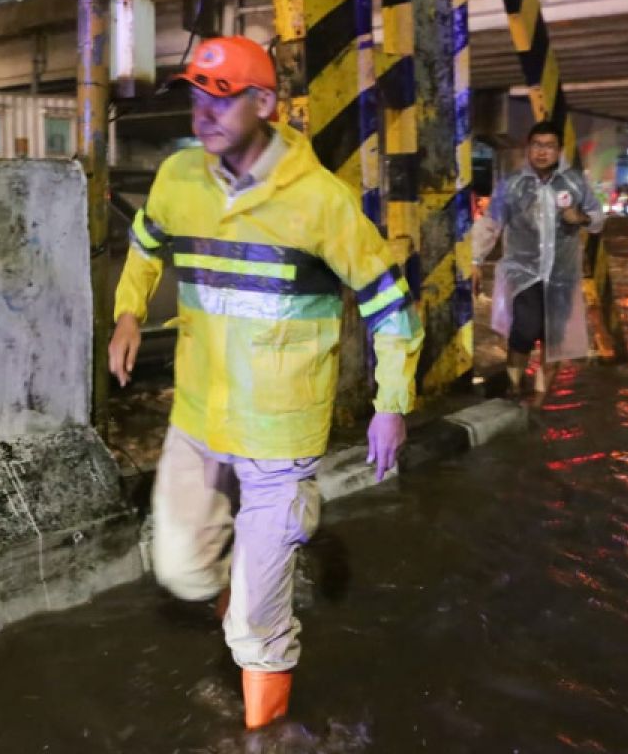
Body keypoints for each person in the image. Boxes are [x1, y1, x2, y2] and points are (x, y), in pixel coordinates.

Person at [108, 36, 423, 730]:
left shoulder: (321, 204)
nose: (202, 115)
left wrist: (390, 406)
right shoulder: (178, 180)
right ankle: (269, 551)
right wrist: (128, 310)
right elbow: (145, 244)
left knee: (256, 621)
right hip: (198, 415)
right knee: (183, 572)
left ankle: (265, 736)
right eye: (195, 100)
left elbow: (389, 306)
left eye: (219, 100)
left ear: (265, 103)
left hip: (280, 432)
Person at [470, 120, 605, 399]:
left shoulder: (575, 183)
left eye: (550, 146)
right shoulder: (511, 185)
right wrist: (474, 260)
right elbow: (491, 224)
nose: (543, 152)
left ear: (559, 150)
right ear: (528, 148)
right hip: (524, 273)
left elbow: (598, 220)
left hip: (562, 275)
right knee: (524, 330)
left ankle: (540, 399)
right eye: (537, 145)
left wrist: (580, 217)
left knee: (554, 340)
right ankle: (516, 388)